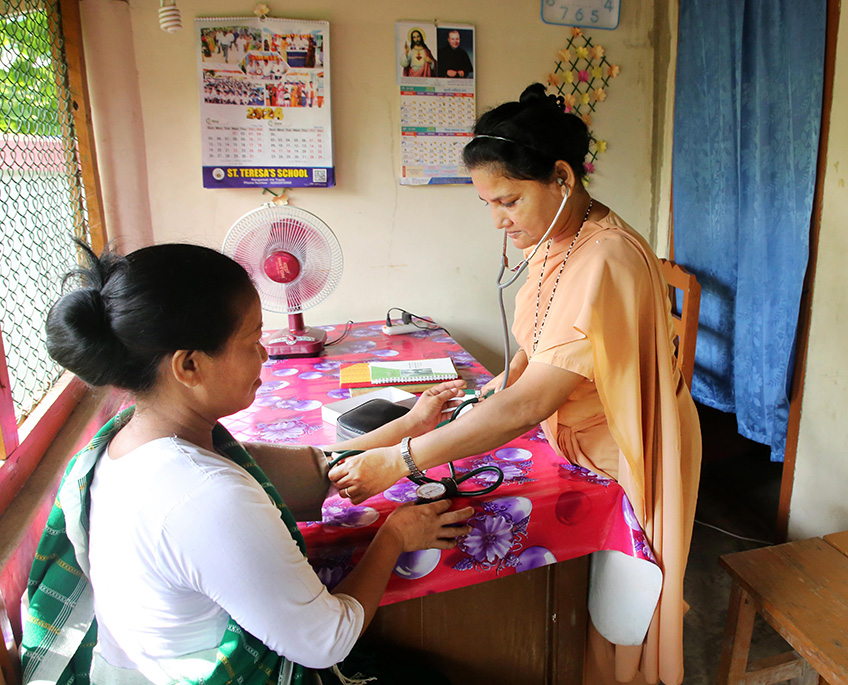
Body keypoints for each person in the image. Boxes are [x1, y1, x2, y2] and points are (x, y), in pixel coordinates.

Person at [328, 83, 702, 685]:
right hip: (575, 434)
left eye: (509, 201)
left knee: (622, 615)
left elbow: (529, 404)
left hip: (625, 449)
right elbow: (537, 349)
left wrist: (401, 460)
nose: (500, 222)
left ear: (561, 177)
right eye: (489, 206)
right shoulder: (561, 238)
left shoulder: (603, 258)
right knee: (588, 604)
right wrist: (488, 391)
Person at [21, 242, 473, 684]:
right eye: (252, 339)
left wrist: (408, 425)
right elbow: (326, 641)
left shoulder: (130, 441)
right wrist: (395, 536)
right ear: (189, 366)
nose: (263, 354)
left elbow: (319, 470)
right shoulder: (204, 494)